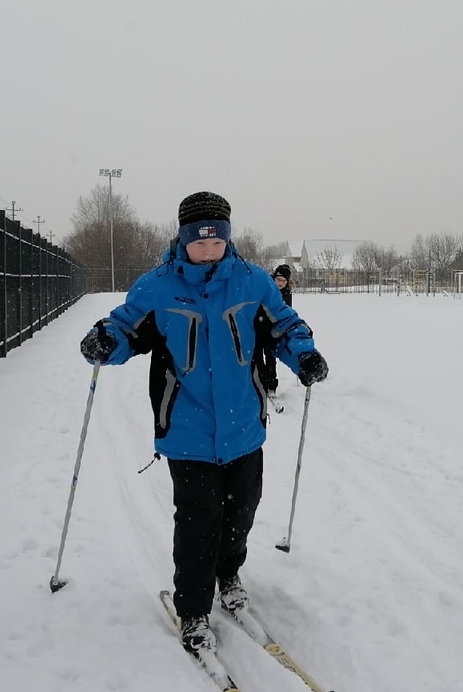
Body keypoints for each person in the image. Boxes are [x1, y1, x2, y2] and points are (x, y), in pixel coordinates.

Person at [78, 192, 329, 653]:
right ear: (183, 239)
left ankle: (228, 574)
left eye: (217, 241)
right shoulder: (157, 287)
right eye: (200, 242)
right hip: (187, 429)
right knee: (198, 521)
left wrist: (305, 355)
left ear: (228, 238)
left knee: (241, 512)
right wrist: (105, 341)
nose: (209, 251)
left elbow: (285, 327)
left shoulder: (253, 282)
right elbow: (126, 327)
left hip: (244, 427)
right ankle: (193, 608)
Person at [256, 264, 294, 395]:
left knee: (271, 359)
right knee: (257, 358)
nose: (280, 283)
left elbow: (286, 311)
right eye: (278, 279)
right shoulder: (266, 288)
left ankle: (271, 386)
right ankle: (260, 384)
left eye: (284, 281)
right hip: (258, 327)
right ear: (274, 278)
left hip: (274, 331)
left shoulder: (287, 293)